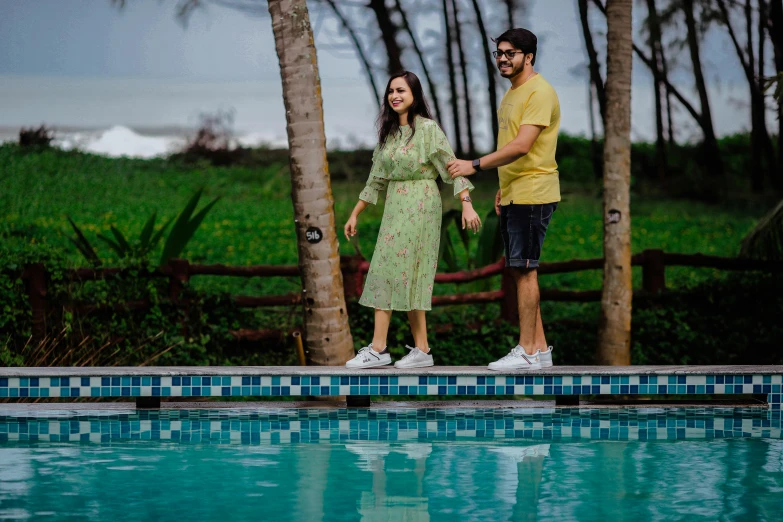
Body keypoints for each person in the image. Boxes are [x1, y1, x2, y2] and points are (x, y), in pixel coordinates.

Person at [344, 71, 481, 369]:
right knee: (401, 273)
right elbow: (376, 179)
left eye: (401, 91)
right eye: (391, 91)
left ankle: (379, 348)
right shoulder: (388, 135)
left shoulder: (428, 130)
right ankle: (422, 350)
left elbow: (452, 166)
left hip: (422, 204)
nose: (395, 95)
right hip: (395, 206)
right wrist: (355, 212)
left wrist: (466, 205)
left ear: (415, 96)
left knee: (393, 270)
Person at [447, 28, 560, 371]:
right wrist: (503, 186)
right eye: (499, 53)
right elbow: (512, 148)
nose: (503, 59)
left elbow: (522, 145)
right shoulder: (513, 93)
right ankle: (540, 350)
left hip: (534, 190)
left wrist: (474, 165)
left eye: (510, 53)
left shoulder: (540, 92)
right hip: (516, 190)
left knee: (525, 271)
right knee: (520, 270)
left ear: (529, 56)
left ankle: (525, 350)